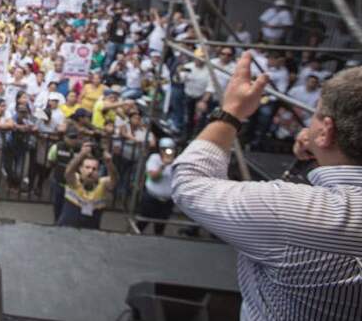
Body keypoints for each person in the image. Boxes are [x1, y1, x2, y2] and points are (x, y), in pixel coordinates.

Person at [172, 52, 362, 320]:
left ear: (326, 131)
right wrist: (320, 156)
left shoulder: (288, 211)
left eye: (316, 115)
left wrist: (231, 113)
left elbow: (188, 182)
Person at [58, 141, 116, 230]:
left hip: (90, 232)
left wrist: (109, 162)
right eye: (87, 167)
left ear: (98, 171)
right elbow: (69, 171)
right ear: (80, 169)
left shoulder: (103, 183)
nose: (90, 171)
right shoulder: (74, 181)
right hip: (68, 229)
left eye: (94, 169)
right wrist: (82, 154)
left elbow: (114, 179)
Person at [135, 137, 176, 235]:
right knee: (142, 223)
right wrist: (164, 165)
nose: (168, 152)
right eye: (165, 149)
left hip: (167, 201)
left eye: (171, 149)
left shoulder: (176, 162)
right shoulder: (154, 158)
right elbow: (153, 177)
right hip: (151, 199)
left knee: (160, 227)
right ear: (160, 149)